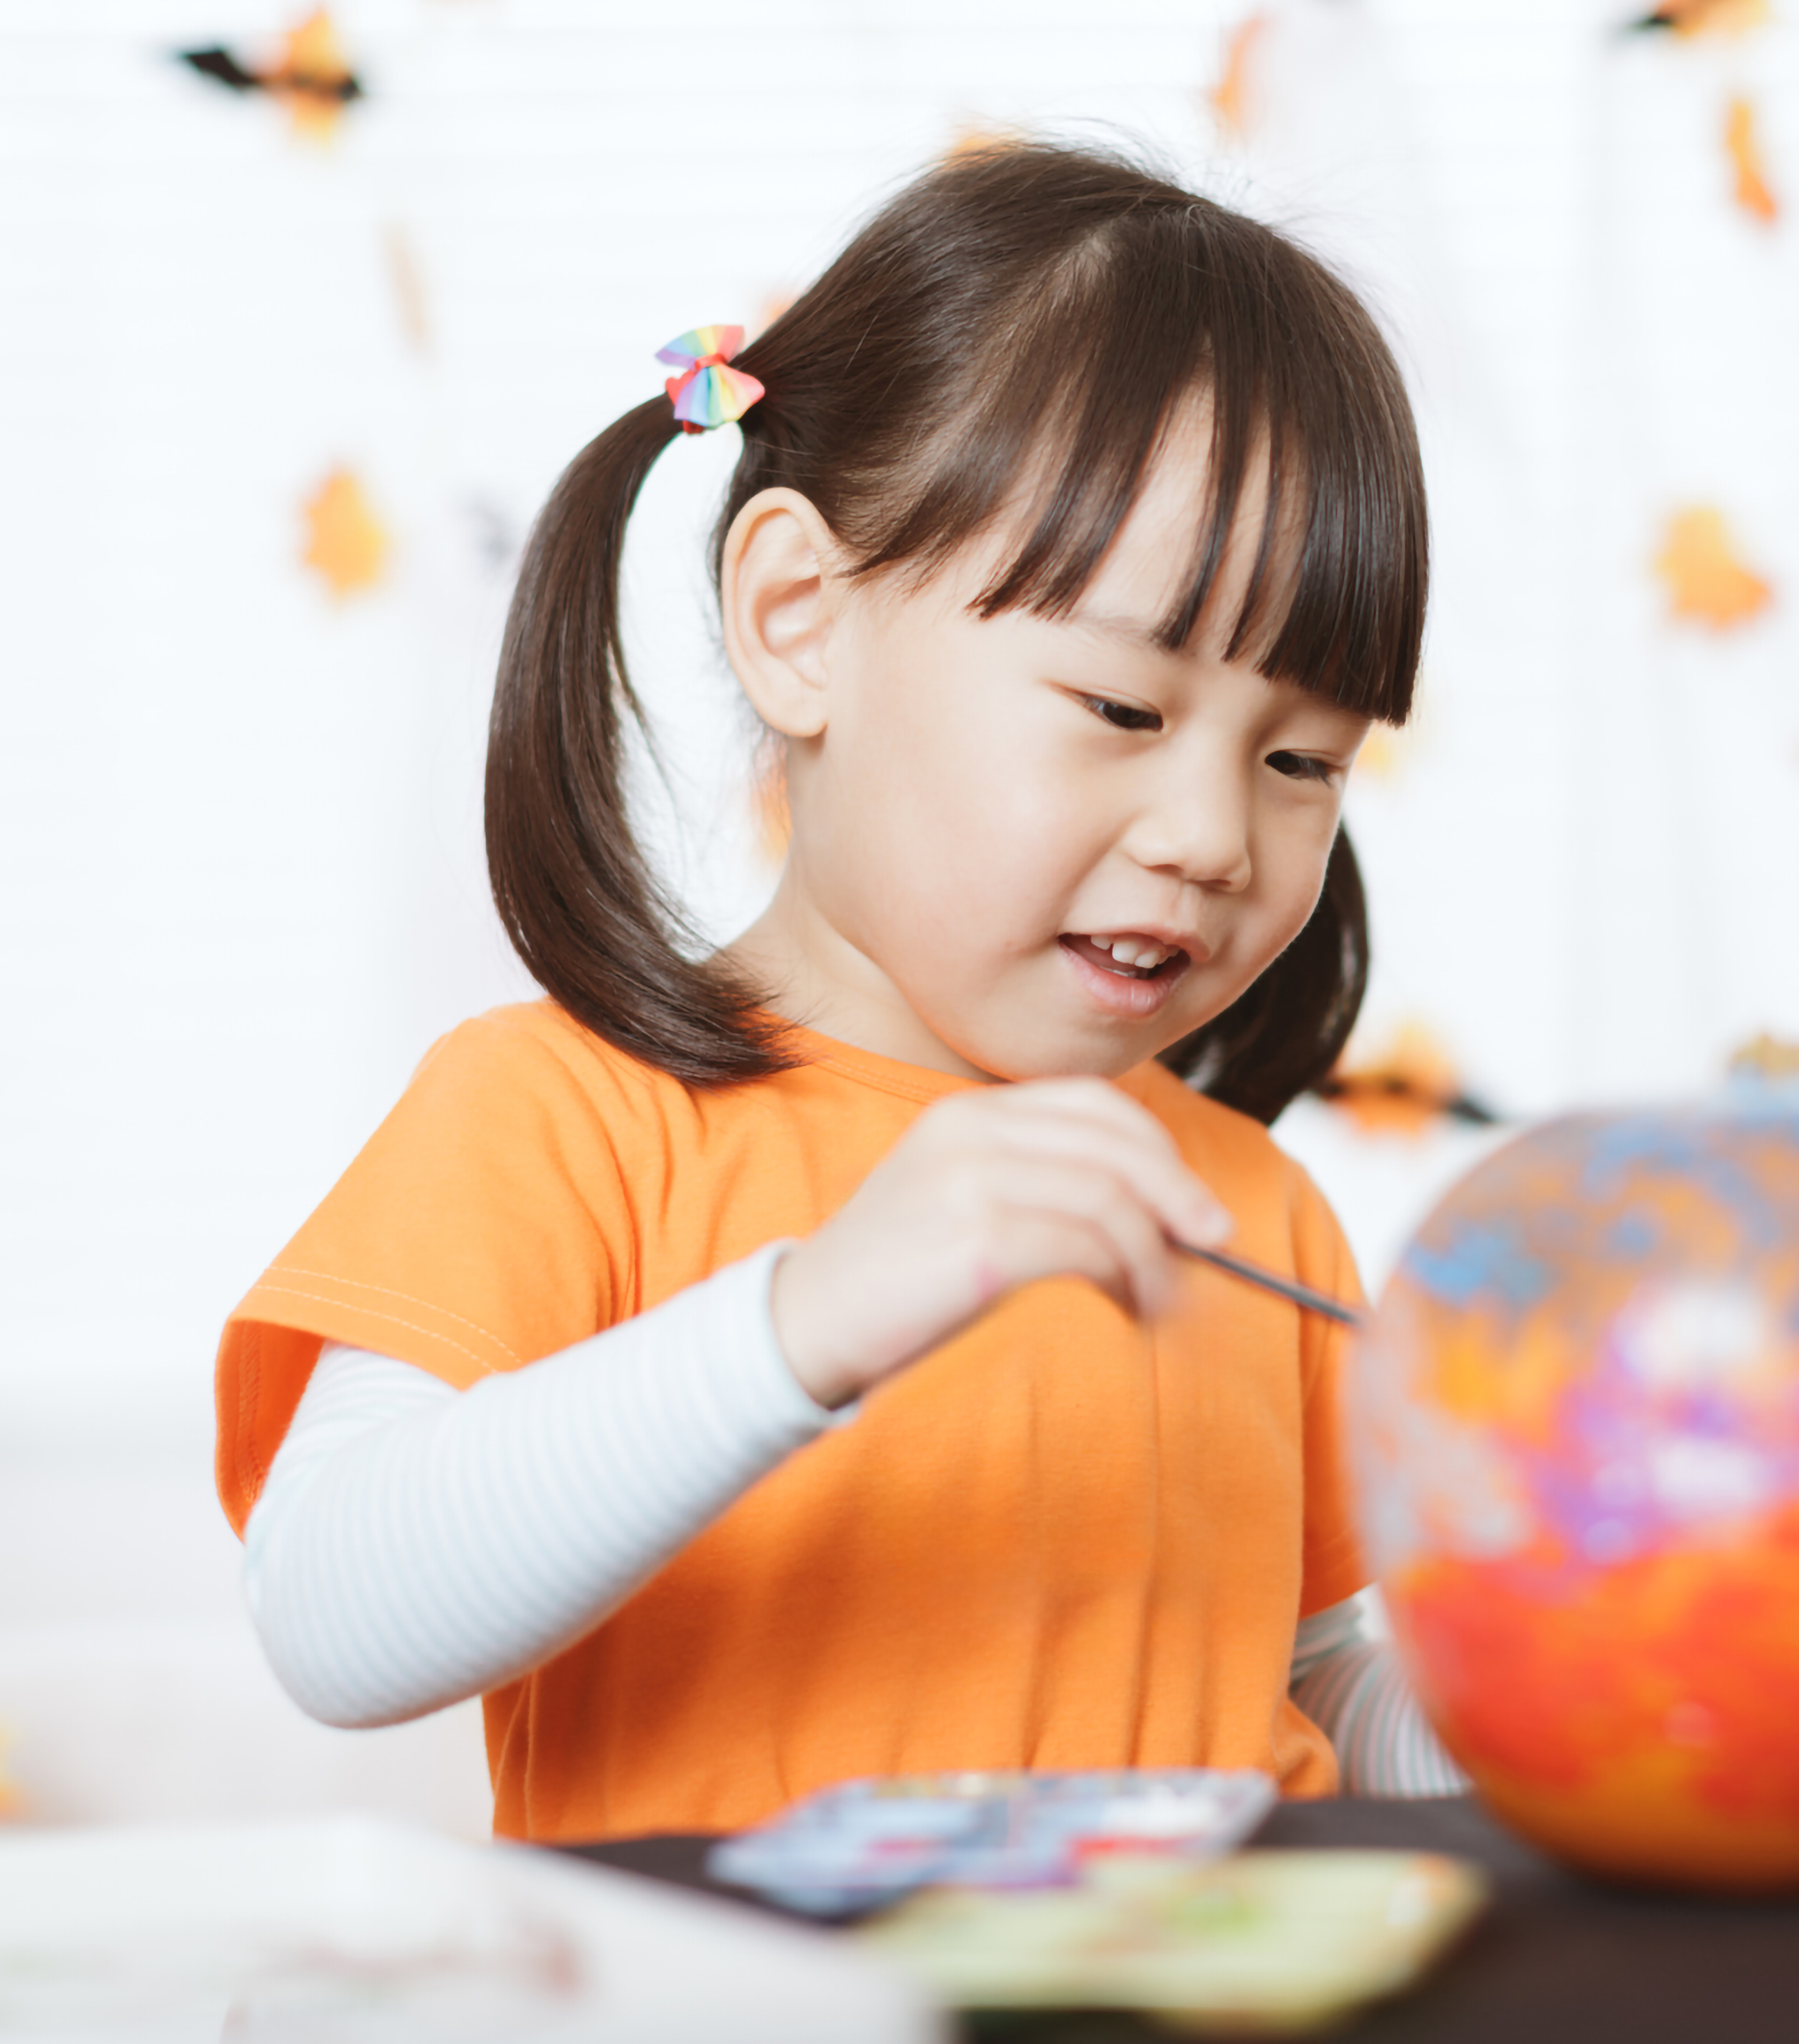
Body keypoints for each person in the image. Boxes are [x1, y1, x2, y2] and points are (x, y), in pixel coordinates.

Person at [214, 142, 1464, 1843]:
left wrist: (1576, 1681)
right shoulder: (568, 1119)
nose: (1209, 834)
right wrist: (805, 1318)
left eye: (1303, 756)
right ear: (801, 618)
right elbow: (333, 1611)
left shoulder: (1245, 1209)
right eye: (1119, 708)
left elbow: (1305, 1695)